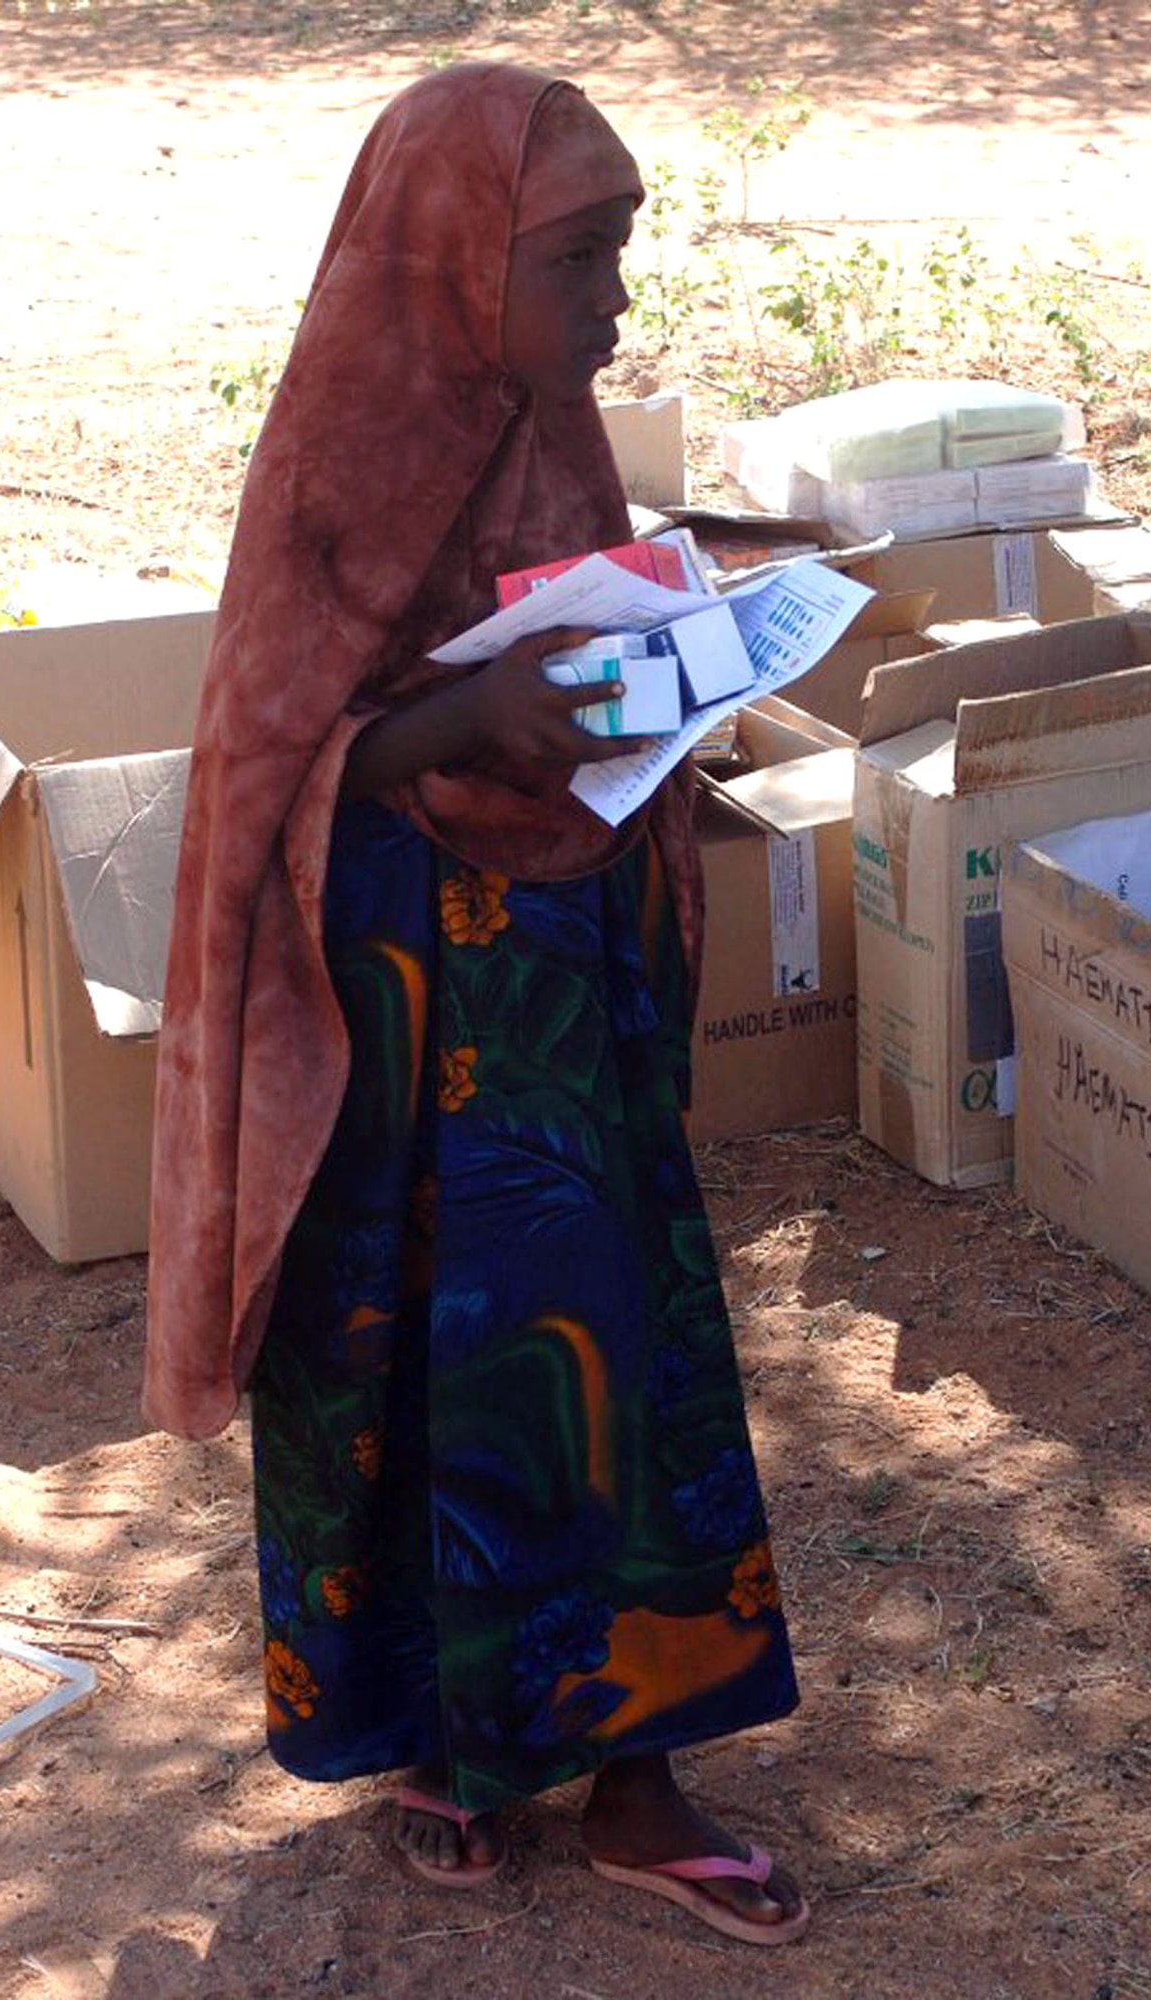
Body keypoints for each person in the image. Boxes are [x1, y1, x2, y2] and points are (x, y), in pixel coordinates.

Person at [142, 61, 808, 1948]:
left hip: (553, 1023)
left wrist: (668, 669)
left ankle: (639, 1772)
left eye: (620, 258)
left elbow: (588, 664)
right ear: (452, 266)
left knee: (608, 1341)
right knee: (391, 1359)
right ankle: (441, 1735)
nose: (614, 309)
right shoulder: (337, 465)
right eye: (583, 262)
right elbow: (264, 760)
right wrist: (450, 725)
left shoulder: (555, 437)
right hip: (386, 1015)